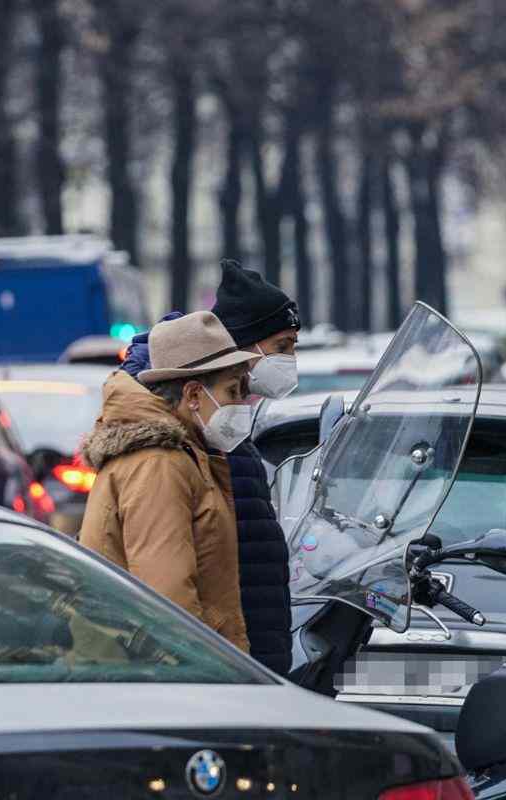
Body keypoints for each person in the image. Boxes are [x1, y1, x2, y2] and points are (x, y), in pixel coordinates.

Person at [79, 311, 259, 652]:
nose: (241, 404)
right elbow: (168, 602)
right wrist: (206, 673)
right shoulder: (159, 463)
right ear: (192, 394)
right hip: (171, 675)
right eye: (233, 390)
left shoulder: (183, 455)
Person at [208, 259, 300, 675]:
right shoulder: (216, 436)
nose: (291, 360)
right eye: (282, 347)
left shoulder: (236, 431)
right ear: (244, 347)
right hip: (240, 660)